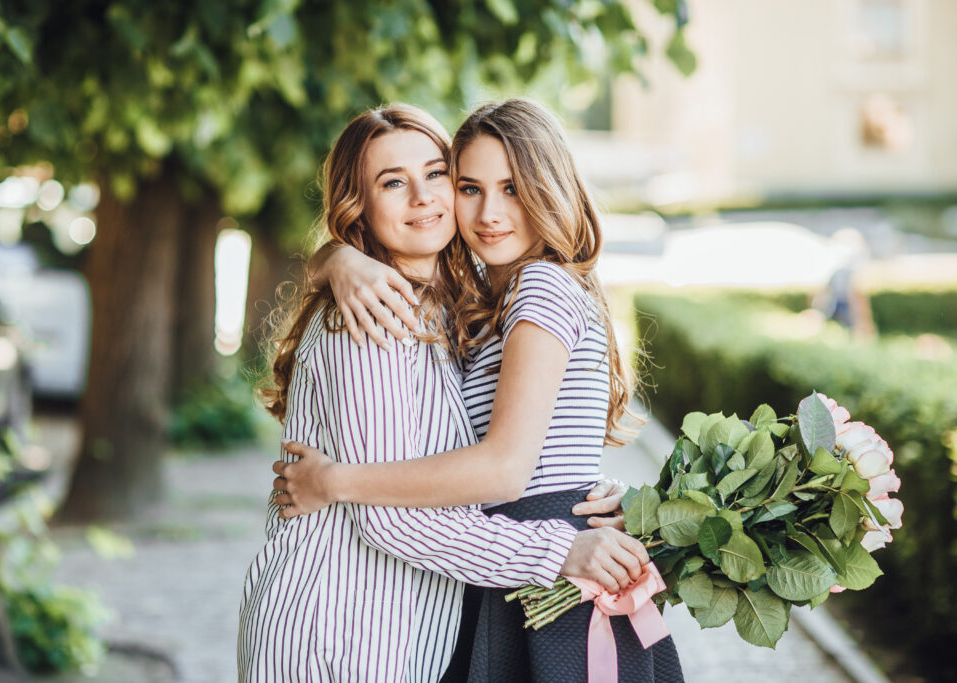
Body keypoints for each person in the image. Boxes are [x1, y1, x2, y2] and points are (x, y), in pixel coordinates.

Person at [237, 103, 650, 683]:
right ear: (359, 207)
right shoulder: (374, 318)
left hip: (432, 615)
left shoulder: (470, 304)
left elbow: (517, 457)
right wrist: (337, 259)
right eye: (393, 183)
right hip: (343, 631)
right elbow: (393, 522)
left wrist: (584, 497)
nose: (427, 198)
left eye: (435, 175)